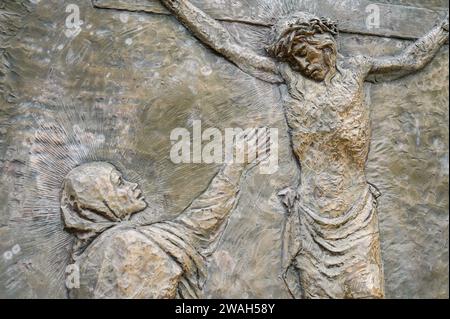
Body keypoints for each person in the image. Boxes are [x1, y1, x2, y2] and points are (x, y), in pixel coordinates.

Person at [158, 0, 449, 298]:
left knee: (368, 291)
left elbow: (412, 59)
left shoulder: (358, 70)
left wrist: (444, 28)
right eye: (291, 58)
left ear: (323, 45)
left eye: (300, 52)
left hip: (356, 214)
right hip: (312, 218)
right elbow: (224, 43)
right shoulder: (290, 78)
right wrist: (176, 4)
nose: (298, 63)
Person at [61, 132, 267, 298]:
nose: (132, 186)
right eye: (119, 184)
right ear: (99, 201)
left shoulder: (81, 263)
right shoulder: (124, 245)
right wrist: (237, 164)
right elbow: (197, 224)